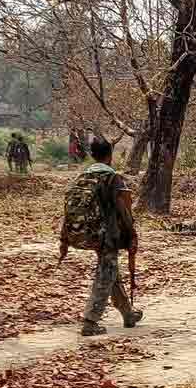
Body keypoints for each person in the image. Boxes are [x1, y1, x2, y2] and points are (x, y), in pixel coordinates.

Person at [60, 137, 143, 337]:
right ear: (110, 155)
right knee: (106, 272)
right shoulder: (112, 177)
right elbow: (123, 209)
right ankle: (90, 320)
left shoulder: (83, 176)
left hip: (85, 230)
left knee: (111, 269)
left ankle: (128, 313)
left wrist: (64, 239)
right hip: (106, 234)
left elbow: (69, 209)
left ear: (92, 154)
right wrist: (132, 234)